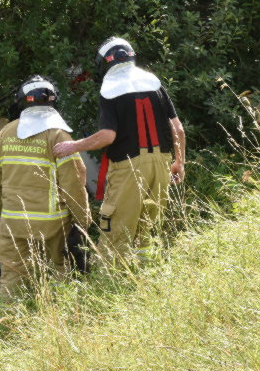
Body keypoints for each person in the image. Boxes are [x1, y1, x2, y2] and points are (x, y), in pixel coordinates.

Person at [53, 37, 186, 259]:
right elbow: (178, 129)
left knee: (116, 233)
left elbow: (107, 135)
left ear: (105, 62)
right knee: (147, 230)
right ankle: (147, 272)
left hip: (129, 169)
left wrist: (72, 146)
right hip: (161, 163)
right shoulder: (153, 82)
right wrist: (179, 162)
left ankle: (109, 283)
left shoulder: (110, 88)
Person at [0, 75, 91, 302]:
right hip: (51, 222)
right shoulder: (58, 135)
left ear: (23, 101)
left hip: (12, 221)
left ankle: (7, 323)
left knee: (10, 281)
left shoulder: (5, 133)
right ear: (52, 101)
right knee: (58, 271)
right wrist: (83, 220)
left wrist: (0, 213)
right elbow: (73, 183)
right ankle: (58, 316)